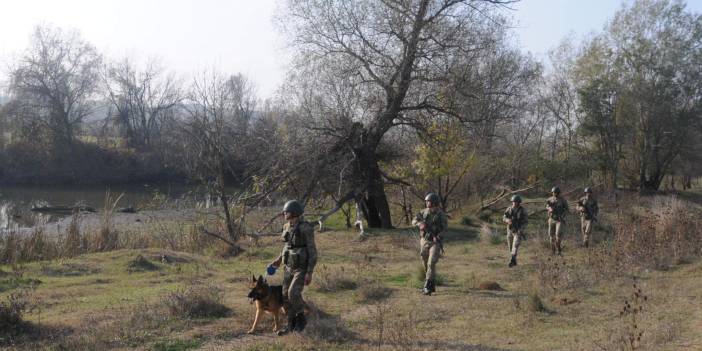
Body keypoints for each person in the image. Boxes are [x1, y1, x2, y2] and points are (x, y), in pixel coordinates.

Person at [269, 200, 317, 335]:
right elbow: (288, 246)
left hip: (301, 268)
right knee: (284, 296)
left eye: (287, 211)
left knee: (293, 293)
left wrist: (309, 272)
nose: (284, 213)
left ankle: (301, 320)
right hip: (288, 266)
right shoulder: (286, 226)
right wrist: (279, 260)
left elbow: (312, 251)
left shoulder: (305, 228)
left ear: (294, 213)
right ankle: (290, 325)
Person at [412, 192, 448, 295]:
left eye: (429, 201)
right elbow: (414, 220)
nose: (427, 203)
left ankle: (427, 286)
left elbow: (445, 228)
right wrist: (420, 224)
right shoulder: (423, 212)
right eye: (426, 201)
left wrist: (439, 236)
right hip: (424, 240)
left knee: (431, 263)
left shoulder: (441, 215)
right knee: (424, 259)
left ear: (434, 203)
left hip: (435, 242)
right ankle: (431, 283)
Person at [503, 194, 528, 267]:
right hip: (510, 229)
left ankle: (512, 261)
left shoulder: (522, 210)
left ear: (519, 202)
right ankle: (514, 260)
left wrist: (521, 229)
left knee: (515, 245)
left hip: (518, 230)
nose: (514, 203)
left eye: (516, 201)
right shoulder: (509, 209)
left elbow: (526, 221)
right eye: (513, 201)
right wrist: (507, 220)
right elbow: (504, 217)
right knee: (510, 246)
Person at [546, 186, 569, 255]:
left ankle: (559, 249)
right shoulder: (550, 199)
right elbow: (547, 206)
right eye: (553, 192)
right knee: (551, 236)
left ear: (558, 193)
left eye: (555, 192)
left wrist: (563, 216)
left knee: (558, 236)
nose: (554, 194)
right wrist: (549, 209)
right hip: (552, 219)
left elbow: (567, 210)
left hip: (559, 220)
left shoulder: (563, 200)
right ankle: (553, 251)